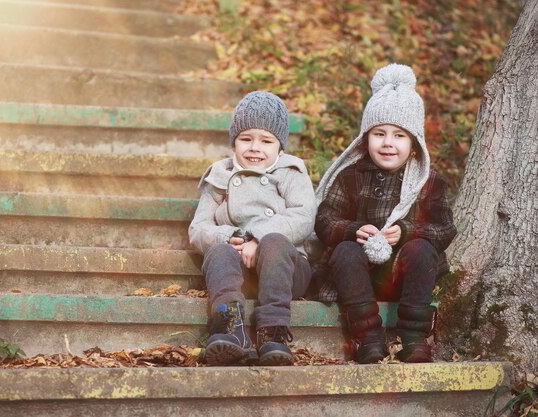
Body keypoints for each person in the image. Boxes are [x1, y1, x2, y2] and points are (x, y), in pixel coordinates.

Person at [314, 63, 457, 364]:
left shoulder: (428, 181)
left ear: (415, 144)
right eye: (379, 133)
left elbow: (445, 229)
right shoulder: (351, 176)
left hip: (405, 275)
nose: (388, 143)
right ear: (366, 138)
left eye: (399, 135)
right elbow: (325, 220)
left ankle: (415, 339)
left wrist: (408, 231)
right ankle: (367, 339)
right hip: (360, 276)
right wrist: (353, 229)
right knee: (344, 251)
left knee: (421, 249)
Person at [189, 91, 316, 366]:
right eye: (246, 139)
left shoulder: (291, 172)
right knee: (219, 252)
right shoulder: (220, 177)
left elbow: (304, 216)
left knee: (275, 242)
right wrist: (230, 236)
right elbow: (198, 228)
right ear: (233, 143)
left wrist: (257, 236)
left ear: (280, 148)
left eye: (266, 141)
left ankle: (273, 331)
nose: (255, 147)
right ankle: (230, 327)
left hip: (286, 268)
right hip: (240, 271)